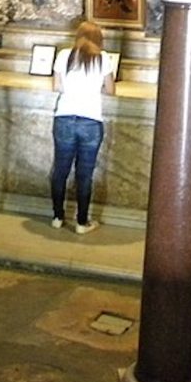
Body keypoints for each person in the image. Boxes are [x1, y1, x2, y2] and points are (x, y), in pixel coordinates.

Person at [50, 20, 115, 235]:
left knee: (60, 170)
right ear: (99, 39)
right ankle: (81, 222)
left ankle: (58, 216)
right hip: (90, 120)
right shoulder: (103, 58)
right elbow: (110, 90)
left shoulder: (63, 55)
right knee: (84, 175)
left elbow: (57, 86)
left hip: (65, 117)